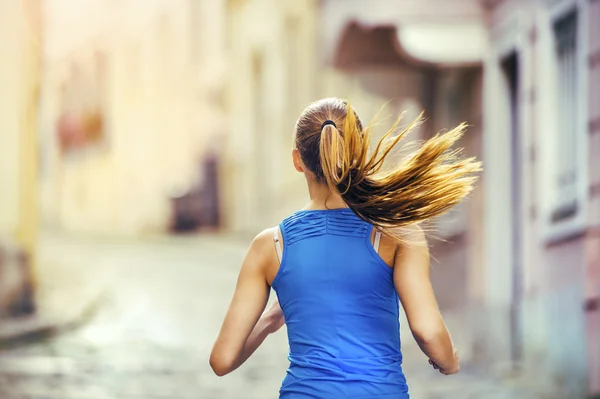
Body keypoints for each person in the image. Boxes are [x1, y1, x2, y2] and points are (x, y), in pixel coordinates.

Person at [210, 98, 481, 398]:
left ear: (297, 161)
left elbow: (222, 360)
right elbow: (427, 331)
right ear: (359, 152)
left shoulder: (270, 246)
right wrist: (449, 361)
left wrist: (270, 320)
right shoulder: (396, 234)